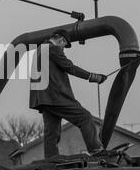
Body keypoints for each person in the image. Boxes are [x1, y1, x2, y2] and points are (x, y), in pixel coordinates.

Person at [29, 29, 107, 158]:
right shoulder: (52, 49)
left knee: (51, 132)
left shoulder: (38, 50)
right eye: (64, 45)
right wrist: (93, 77)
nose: (63, 49)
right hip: (56, 96)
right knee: (84, 117)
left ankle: (51, 159)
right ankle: (96, 150)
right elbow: (70, 67)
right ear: (61, 40)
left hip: (43, 99)